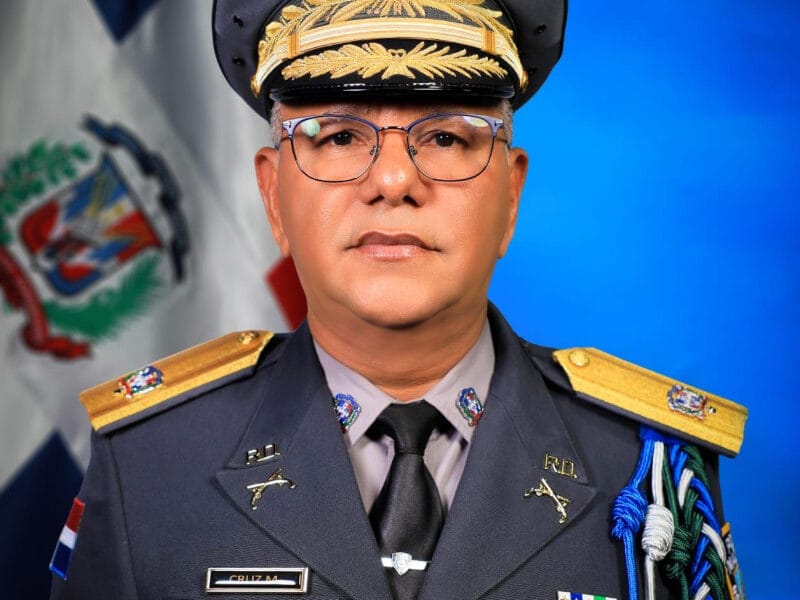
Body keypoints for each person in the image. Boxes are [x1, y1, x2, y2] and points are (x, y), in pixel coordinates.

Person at [49, 1, 747, 599]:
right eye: (338, 136)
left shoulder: (651, 472)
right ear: (273, 196)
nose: (392, 181)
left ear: (510, 195)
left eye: (444, 137)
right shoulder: (150, 465)